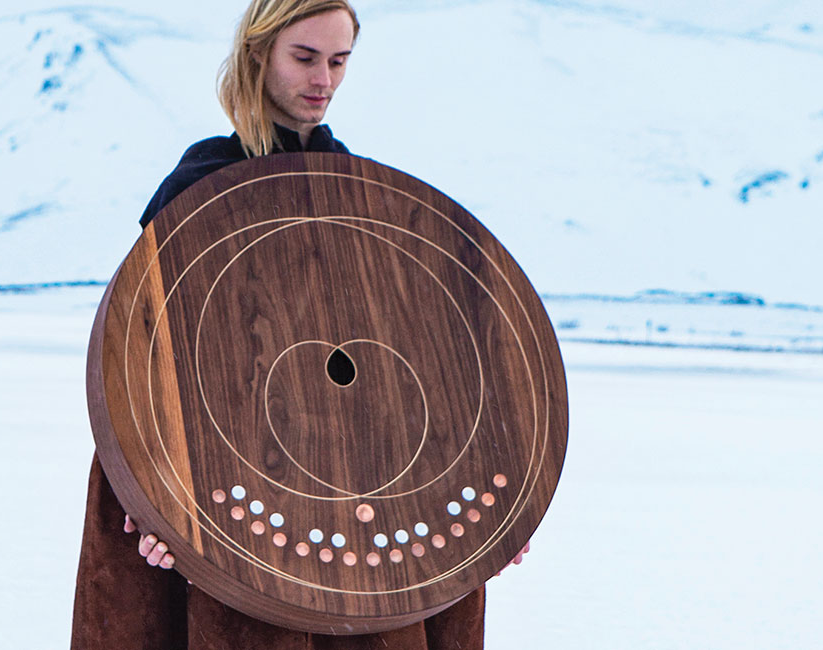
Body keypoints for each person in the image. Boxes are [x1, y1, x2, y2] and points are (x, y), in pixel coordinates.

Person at [71, 2, 526, 648]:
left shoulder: (360, 197)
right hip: (221, 488)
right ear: (260, 56)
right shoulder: (202, 186)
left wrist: (480, 510)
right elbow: (149, 365)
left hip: (344, 489)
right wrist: (153, 506)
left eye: (339, 61)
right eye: (305, 58)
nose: (325, 80)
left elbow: (411, 374)